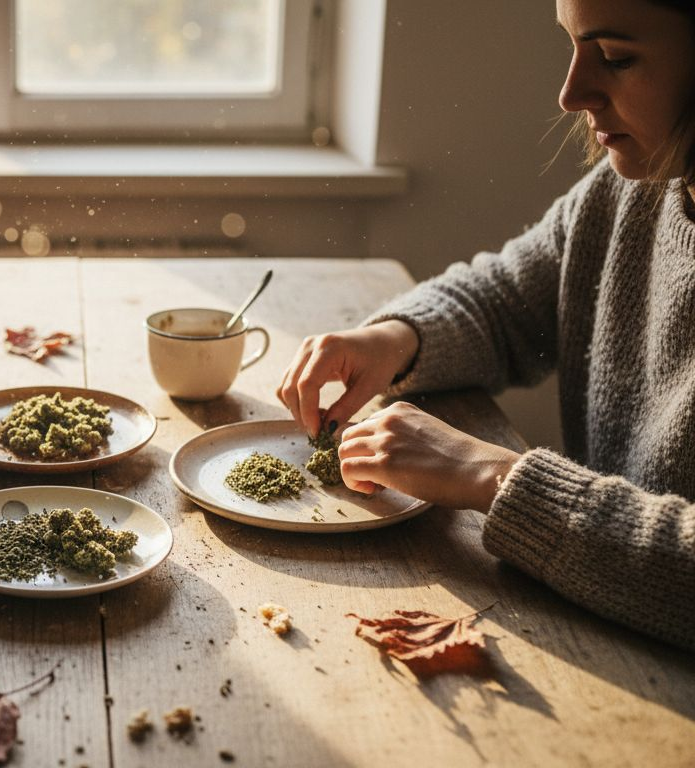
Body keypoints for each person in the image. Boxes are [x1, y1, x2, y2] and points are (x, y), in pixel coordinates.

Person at [278, 0, 695, 650]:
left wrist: (490, 475)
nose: (570, 93)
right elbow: (504, 296)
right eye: (572, 45)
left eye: (615, 57)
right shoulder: (630, 194)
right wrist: (396, 339)